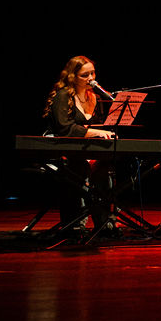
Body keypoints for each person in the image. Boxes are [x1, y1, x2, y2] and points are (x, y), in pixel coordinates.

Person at [43, 55, 117, 230]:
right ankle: (75, 225)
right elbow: (65, 128)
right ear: (72, 76)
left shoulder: (95, 98)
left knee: (105, 168)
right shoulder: (63, 96)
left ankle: (105, 223)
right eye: (85, 75)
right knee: (78, 168)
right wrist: (95, 132)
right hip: (65, 151)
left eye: (93, 73)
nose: (91, 78)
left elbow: (100, 126)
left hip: (89, 151)